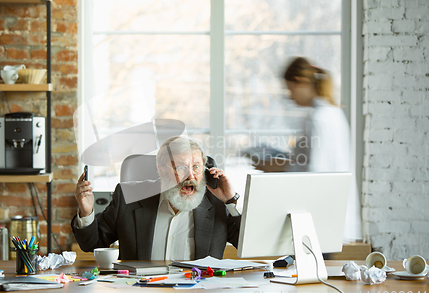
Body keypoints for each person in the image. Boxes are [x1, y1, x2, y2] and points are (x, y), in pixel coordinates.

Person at [72, 136, 242, 261]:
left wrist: (231, 202)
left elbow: (246, 245)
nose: (190, 175)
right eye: (181, 167)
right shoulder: (128, 197)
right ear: (161, 170)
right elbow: (92, 244)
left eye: (196, 167)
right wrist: (86, 212)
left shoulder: (217, 203)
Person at [253, 56, 362, 241]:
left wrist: (278, 167)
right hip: (337, 211)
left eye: (290, 88)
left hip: (320, 215)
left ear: (301, 82)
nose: (290, 96)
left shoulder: (317, 118)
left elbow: (315, 171)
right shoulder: (335, 113)